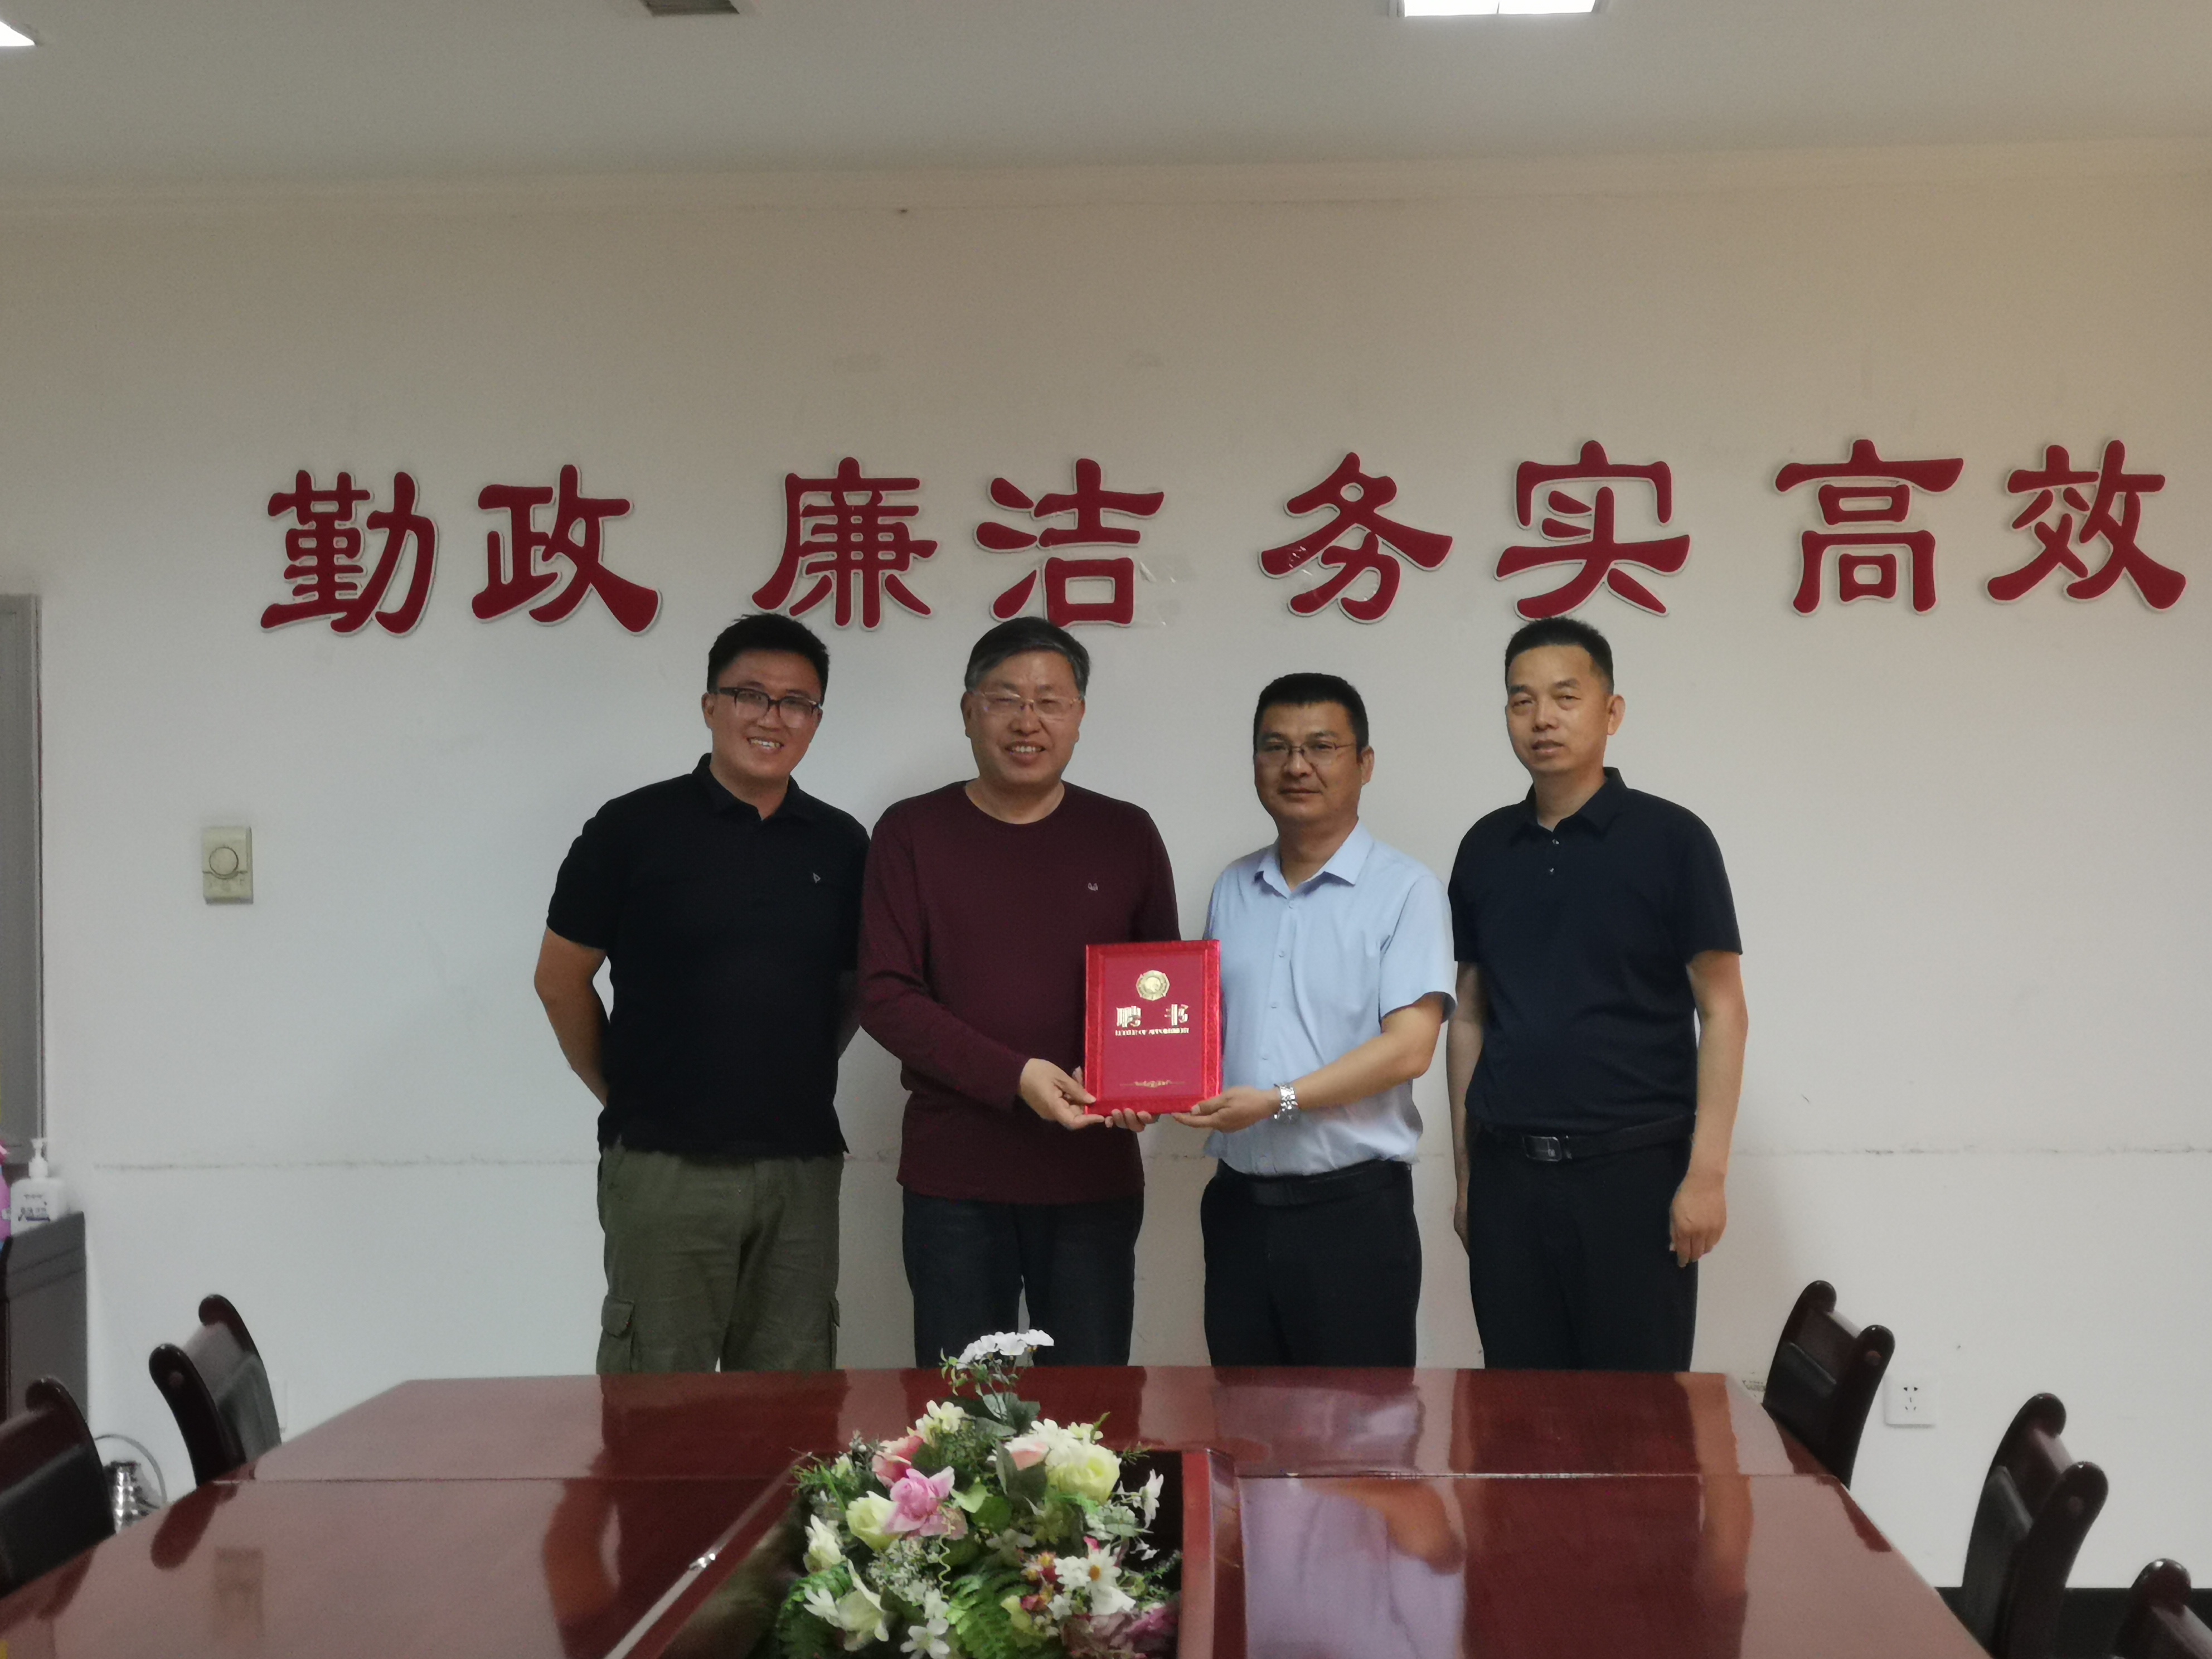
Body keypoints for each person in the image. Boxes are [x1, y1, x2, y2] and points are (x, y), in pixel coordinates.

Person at [535, 613, 868, 1374]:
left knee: (792, 1397)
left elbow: (852, 989)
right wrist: (624, 1091)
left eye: (796, 702)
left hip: (800, 1166)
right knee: (657, 1395)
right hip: (664, 1164)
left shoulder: (843, 844)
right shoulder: (630, 829)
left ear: (816, 720)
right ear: (710, 704)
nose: (771, 717)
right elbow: (559, 980)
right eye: (750, 694)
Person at [859, 618, 1179, 1368]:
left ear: (1079, 716)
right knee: (962, 1415)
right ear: (968, 711)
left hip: (1091, 1177)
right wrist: (1016, 1076)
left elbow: (1164, 996)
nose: (1027, 721)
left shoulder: (1126, 834)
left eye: (1049, 701)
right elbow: (884, 994)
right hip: (955, 1181)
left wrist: (1148, 1085)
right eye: (1005, 699)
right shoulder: (911, 833)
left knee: (1091, 1413)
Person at [1447, 617, 1748, 1371]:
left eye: (1564, 697)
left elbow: (1723, 1010)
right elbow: (1470, 1014)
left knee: (1637, 1415)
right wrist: (1467, 1176)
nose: (1541, 719)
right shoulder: (1484, 847)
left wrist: (1706, 1175)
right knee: (1517, 1408)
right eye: (1521, 700)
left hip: (1634, 1179)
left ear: (1611, 712)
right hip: (1509, 1177)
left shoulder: (1673, 841)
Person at [1175, 673, 1453, 1367]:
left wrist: (1279, 1100)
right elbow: (1201, 1033)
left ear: (1364, 763)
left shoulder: (1406, 890)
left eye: (1320, 747)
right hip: (1237, 1211)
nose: (1296, 766)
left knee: (1361, 1428)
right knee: (1239, 1418)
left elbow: (1409, 1049)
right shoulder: (1234, 886)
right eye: (1275, 747)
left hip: (1351, 1216)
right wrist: (1134, 1087)